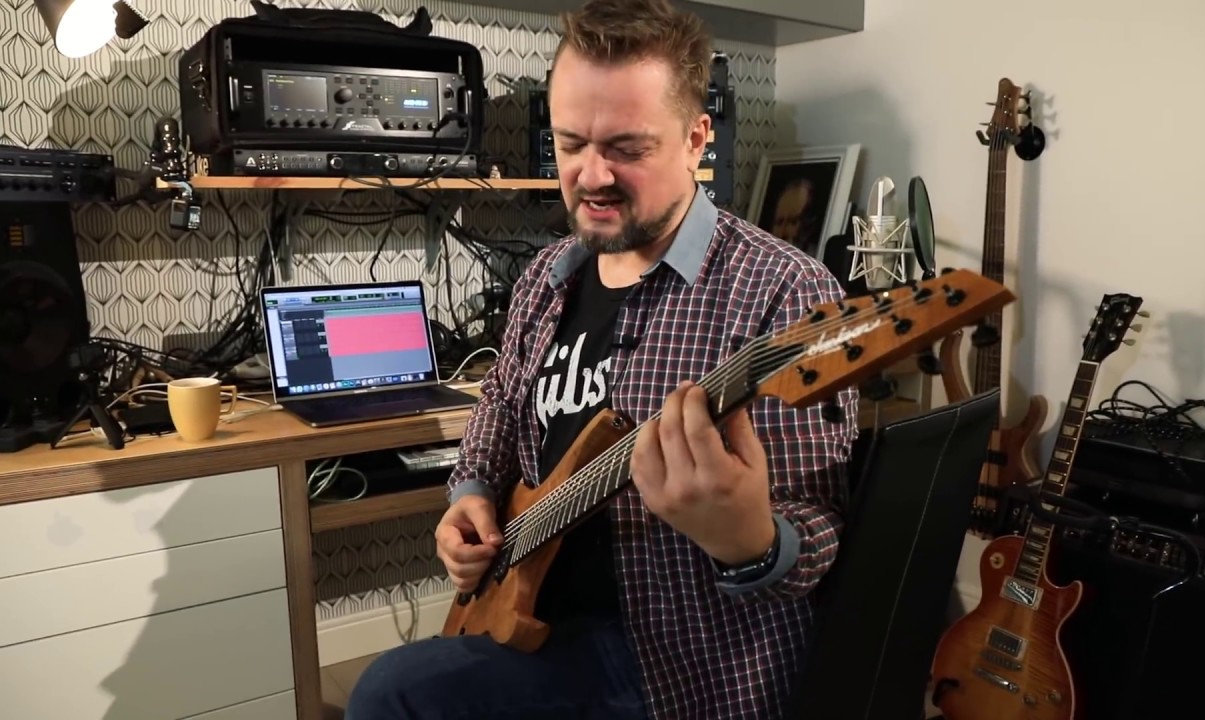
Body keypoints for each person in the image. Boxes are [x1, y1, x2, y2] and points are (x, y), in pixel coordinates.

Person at [345, 1, 858, 718]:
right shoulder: (548, 274)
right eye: (571, 144)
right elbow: (499, 405)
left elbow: (822, 533)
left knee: (391, 693)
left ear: (696, 140)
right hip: (530, 611)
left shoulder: (784, 291)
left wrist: (752, 542)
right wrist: (469, 495)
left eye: (626, 147)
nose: (591, 175)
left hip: (675, 663)